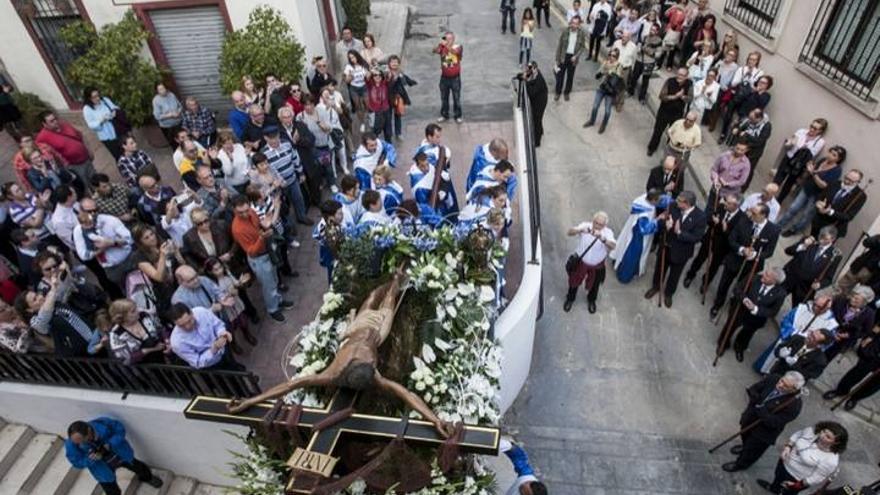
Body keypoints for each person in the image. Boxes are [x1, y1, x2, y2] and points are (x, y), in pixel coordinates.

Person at [226, 271, 453, 438]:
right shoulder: (359, 373)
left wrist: (250, 401)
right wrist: (436, 420)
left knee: (386, 297)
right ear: (352, 364)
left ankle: (396, 279)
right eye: (367, 358)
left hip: (363, 329)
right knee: (381, 297)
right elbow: (407, 395)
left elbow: (289, 386)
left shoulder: (332, 374)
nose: (366, 356)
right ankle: (394, 280)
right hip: (374, 330)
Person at [721, 371, 804, 472]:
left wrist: (761, 409)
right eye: (782, 381)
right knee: (745, 435)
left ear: (793, 389)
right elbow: (754, 389)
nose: (780, 385)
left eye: (786, 386)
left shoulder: (794, 405)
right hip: (750, 417)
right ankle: (744, 447)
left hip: (763, 432)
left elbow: (774, 422)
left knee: (752, 450)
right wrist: (756, 398)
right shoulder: (773, 378)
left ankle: (740, 464)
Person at [710, 203, 780, 318]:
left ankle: (734, 304)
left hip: (751, 265)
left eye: (755, 213)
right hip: (735, 259)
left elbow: (769, 252)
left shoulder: (774, 230)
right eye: (751, 211)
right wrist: (742, 249)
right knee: (724, 284)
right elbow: (732, 239)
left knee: (742, 287)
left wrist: (754, 254)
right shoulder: (744, 220)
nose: (751, 215)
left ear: (763, 215)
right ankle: (718, 304)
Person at [230, 196, 293, 322]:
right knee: (268, 286)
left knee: (274, 279)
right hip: (259, 259)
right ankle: (272, 309)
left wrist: (266, 224)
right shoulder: (237, 229)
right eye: (240, 212)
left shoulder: (252, 213)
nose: (245, 214)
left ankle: (278, 300)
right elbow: (251, 251)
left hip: (267, 252)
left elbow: (259, 224)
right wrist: (261, 238)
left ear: (249, 205)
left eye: (246, 210)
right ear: (234, 211)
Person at [65, 418, 163, 495]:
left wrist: (110, 444)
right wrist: (90, 460)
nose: (79, 444)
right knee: (111, 489)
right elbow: (76, 462)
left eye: (82, 440)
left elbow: (120, 430)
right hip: (102, 468)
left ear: (89, 430)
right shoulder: (71, 444)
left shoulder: (103, 423)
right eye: (76, 442)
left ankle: (147, 478)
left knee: (139, 467)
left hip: (121, 455)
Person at [645, 191, 707, 307]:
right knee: (659, 269)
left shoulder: (700, 217)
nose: (676, 201)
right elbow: (664, 218)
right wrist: (665, 224)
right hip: (666, 245)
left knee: (675, 275)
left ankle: (669, 294)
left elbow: (697, 237)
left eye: (679, 200)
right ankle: (656, 286)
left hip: (681, 252)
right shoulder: (673, 206)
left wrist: (679, 232)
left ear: (687, 203)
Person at [754, 291, 838, 375]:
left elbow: (827, 342)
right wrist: (794, 333)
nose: (815, 307)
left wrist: (810, 344)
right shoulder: (802, 308)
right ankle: (764, 370)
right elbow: (787, 320)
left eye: (819, 307)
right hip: (789, 338)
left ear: (827, 309)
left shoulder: (831, 324)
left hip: (803, 348)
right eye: (815, 304)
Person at [15, 274, 97, 357]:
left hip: (93, 335)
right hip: (82, 352)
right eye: (34, 300)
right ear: (29, 309)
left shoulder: (52, 301)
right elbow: (45, 313)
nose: (40, 297)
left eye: (37, 295)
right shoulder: (36, 322)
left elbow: (64, 285)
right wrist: (53, 289)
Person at [720, 267, 788, 362]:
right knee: (729, 327)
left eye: (767, 276)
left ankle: (739, 347)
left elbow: (773, 312)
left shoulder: (780, 294)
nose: (763, 275)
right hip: (740, 310)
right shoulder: (754, 277)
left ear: (774, 281)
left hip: (756, 318)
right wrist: (744, 299)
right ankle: (723, 343)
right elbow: (737, 289)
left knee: (747, 334)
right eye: (765, 272)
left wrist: (756, 309)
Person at [757, 422, 847, 494]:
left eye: (828, 437)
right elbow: (796, 435)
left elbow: (817, 477)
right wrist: (788, 447)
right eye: (823, 431)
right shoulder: (811, 431)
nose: (822, 435)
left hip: (796, 478)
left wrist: (796, 485)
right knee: (777, 478)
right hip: (784, 464)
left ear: (836, 442)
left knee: (788, 493)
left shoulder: (831, 460)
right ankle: (774, 489)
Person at [778, 144, 844, 238]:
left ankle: (794, 229)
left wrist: (813, 173)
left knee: (806, 215)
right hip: (807, 189)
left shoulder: (837, 170)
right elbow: (811, 172)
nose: (830, 155)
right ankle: (779, 225)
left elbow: (824, 185)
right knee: (793, 208)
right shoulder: (822, 160)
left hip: (817, 196)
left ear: (838, 159)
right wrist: (808, 172)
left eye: (834, 155)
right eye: (830, 152)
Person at [683, 192, 743, 290]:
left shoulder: (741, 218)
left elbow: (734, 236)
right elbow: (710, 220)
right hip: (710, 238)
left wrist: (725, 229)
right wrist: (713, 221)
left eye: (728, 203)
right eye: (726, 201)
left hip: (723, 246)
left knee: (714, 266)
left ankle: (705, 282)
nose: (725, 204)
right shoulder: (721, 207)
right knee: (700, 258)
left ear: (735, 206)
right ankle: (690, 275)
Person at [73, 199, 133, 298]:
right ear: (81, 211)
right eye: (89, 211)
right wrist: (100, 250)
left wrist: (111, 243)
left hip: (129, 258)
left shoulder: (109, 220)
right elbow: (84, 255)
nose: (93, 214)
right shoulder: (79, 230)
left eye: (95, 210)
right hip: (112, 268)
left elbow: (129, 239)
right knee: (128, 291)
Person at [564, 212, 616, 313]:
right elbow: (569, 232)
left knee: (595, 285)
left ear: (605, 225)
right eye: (595, 222)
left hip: (597, 266)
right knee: (574, 281)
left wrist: (602, 238)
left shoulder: (608, 233)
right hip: (581, 263)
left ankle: (591, 300)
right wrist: (579, 230)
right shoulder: (586, 226)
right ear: (593, 221)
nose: (597, 226)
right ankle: (570, 299)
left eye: (600, 224)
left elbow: (613, 246)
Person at [168, 303, 244, 370]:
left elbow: (217, 325)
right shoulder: (177, 343)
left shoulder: (201, 312)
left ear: (191, 313)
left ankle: (234, 366)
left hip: (223, 349)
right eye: (182, 326)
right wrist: (213, 349)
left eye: (189, 321)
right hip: (211, 366)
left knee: (231, 362)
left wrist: (222, 334)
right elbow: (197, 362)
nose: (188, 326)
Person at [610, 190, 663, 283]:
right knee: (631, 258)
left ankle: (618, 262)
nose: (660, 202)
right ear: (653, 200)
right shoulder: (644, 214)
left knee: (623, 249)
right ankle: (624, 276)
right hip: (637, 238)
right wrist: (658, 220)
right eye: (658, 200)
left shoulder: (643, 199)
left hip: (631, 231)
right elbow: (645, 230)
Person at [823, 325, 880, 411]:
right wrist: (871, 336)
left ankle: (855, 397)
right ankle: (841, 391)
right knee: (857, 372)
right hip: (876, 351)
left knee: (875, 384)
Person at [262, 127, 310, 226]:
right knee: (284, 206)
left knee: (299, 199)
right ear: (266, 138)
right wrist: (279, 181)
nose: (275, 140)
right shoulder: (263, 153)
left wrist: (300, 173)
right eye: (272, 138)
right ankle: (290, 226)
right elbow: (269, 170)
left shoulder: (287, 144)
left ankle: (302, 217)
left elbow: (295, 158)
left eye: (276, 137)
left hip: (293, 180)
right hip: (279, 185)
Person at [783, 227, 842, 307]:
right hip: (790, 278)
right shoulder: (810, 242)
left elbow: (829, 278)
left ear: (832, 239)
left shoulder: (834, 255)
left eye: (825, 238)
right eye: (820, 236)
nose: (821, 240)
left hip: (805, 287)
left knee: (798, 310)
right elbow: (788, 251)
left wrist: (819, 285)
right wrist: (803, 245)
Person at [35, 111, 95, 188]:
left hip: (86, 159)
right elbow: (42, 154)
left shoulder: (64, 125)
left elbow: (80, 136)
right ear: (44, 124)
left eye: (55, 119)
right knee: (84, 187)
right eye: (51, 121)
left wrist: (89, 149)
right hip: (73, 166)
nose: (55, 122)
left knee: (96, 181)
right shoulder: (42, 137)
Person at [772, 118, 827, 202]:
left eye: (815, 128)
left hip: (799, 165)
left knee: (788, 185)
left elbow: (811, 153)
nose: (811, 129)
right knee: (778, 179)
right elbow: (792, 142)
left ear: (820, 131)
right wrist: (791, 143)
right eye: (811, 126)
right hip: (789, 158)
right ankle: (770, 196)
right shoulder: (801, 131)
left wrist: (799, 146)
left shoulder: (820, 141)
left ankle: (778, 201)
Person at [647, 68, 693, 156]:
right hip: (664, 111)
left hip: (677, 113)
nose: (679, 76)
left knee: (673, 134)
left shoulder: (689, 84)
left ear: (686, 77)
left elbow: (690, 98)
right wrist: (675, 96)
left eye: (682, 75)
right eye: (678, 74)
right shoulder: (670, 81)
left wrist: (682, 96)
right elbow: (662, 96)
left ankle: (669, 153)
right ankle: (651, 148)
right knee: (658, 131)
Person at [107, 299, 167, 365]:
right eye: (133, 311)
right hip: (145, 369)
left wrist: (167, 341)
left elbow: (161, 328)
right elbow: (126, 359)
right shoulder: (116, 334)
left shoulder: (144, 316)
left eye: (136, 308)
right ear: (122, 317)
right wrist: (151, 349)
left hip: (165, 359)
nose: (138, 311)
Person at [825, 286, 876, 363]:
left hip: (841, 341)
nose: (852, 299)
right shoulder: (841, 300)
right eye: (852, 296)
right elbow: (828, 312)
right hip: (826, 331)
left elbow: (865, 331)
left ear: (864, 302)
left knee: (826, 358)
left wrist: (849, 335)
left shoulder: (869, 314)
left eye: (856, 299)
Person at [811, 169, 866, 239]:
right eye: (846, 178)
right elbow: (821, 196)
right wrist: (818, 203)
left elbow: (849, 216)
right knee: (811, 241)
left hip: (833, 227)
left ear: (858, 182)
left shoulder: (860, 196)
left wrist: (830, 212)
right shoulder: (835, 183)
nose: (846, 181)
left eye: (851, 181)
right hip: (818, 221)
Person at [728, 108, 771, 190]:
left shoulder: (766, 126)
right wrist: (737, 129)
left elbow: (759, 141)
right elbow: (743, 125)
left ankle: (743, 188)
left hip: (754, 153)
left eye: (752, 119)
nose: (750, 121)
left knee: (748, 170)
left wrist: (747, 135)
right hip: (743, 148)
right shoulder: (750, 120)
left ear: (759, 119)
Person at [583, 48, 623, 134]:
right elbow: (597, 76)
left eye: (614, 56)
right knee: (595, 107)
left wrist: (610, 71)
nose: (611, 57)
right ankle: (592, 121)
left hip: (610, 92)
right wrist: (603, 71)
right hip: (601, 88)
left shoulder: (619, 66)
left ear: (617, 57)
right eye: (610, 55)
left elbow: (617, 77)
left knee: (607, 111)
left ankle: (603, 125)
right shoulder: (605, 63)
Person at [82, 87, 123, 161]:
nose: (97, 98)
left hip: (117, 130)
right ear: (89, 98)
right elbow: (90, 124)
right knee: (119, 157)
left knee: (127, 151)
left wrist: (114, 112)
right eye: (94, 97)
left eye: (98, 95)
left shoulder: (105, 100)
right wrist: (101, 121)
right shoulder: (87, 109)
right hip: (107, 137)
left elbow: (114, 107)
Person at [706, 140, 751, 207]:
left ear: (746, 150)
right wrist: (715, 180)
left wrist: (728, 184)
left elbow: (742, 181)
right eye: (737, 148)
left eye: (742, 150)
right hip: (717, 188)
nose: (738, 151)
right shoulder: (724, 156)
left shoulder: (746, 164)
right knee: (710, 208)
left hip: (731, 193)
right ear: (735, 146)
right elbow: (714, 169)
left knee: (723, 212)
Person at [433, 31, 464, 123]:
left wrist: (446, 45)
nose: (448, 40)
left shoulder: (458, 47)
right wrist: (439, 44)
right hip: (444, 77)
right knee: (444, 97)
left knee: (456, 97)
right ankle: (444, 114)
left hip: (455, 78)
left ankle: (458, 115)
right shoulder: (442, 47)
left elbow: (455, 52)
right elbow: (434, 51)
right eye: (446, 38)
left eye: (450, 39)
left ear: (453, 39)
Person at [515, 62, 548, 146]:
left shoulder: (539, 79)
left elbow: (531, 92)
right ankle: (540, 131)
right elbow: (522, 76)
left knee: (536, 120)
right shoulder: (532, 73)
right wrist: (521, 76)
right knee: (537, 119)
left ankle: (537, 142)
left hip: (540, 102)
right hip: (536, 100)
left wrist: (525, 80)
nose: (527, 71)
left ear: (534, 69)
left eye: (529, 69)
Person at [553, 17, 586, 102]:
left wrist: (576, 56)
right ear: (570, 23)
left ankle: (567, 92)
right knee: (560, 76)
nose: (574, 25)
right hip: (564, 56)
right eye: (573, 23)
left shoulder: (581, 34)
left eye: (576, 23)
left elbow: (582, 47)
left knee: (570, 77)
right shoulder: (565, 31)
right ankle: (558, 92)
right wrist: (557, 58)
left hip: (573, 58)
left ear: (579, 25)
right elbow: (560, 45)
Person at [386, 55, 417, 140]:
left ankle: (398, 133)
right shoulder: (386, 73)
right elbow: (388, 84)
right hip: (388, 97)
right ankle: (388, 134)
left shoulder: (400, 72)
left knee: (398, 114)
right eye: (392, 62)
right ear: (389, 64)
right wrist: (394, 78)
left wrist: (411, 82)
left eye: (396, 62)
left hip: (398, 96)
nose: (394, 64)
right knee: (388, 116)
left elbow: (405, 79)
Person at [630, 23, 662, 103]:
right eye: (651, 29)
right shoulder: (645, 37)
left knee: (645, 81)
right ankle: (630, 91)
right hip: (640, 59)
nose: (652, 31)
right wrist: (639, 49)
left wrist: (648, 51)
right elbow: (640, 46)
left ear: (657, 31)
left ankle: (642, 97)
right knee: (634, 77)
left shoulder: (659, 41)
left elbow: (658, 54)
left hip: (649, 62)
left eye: (654, 30)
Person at [314, 200, 344, 284]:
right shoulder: (326, 231)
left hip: (335, 253)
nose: (342, 215)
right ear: (331, 217)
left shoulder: (333, 223)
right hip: (332, 255)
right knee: (333, 275)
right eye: (339, 213)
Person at [365, 70, 393, 141]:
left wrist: (385, 70)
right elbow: (367, 77)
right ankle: (376, 148)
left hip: (385, 111)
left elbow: (390, 76)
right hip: (375, 112)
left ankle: (388, 148)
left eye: (379, 75)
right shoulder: (370, 85)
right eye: (375, 75)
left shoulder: (385, 83)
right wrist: (372, 71)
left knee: (388, 133)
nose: (377, 76)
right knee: (375, 132)